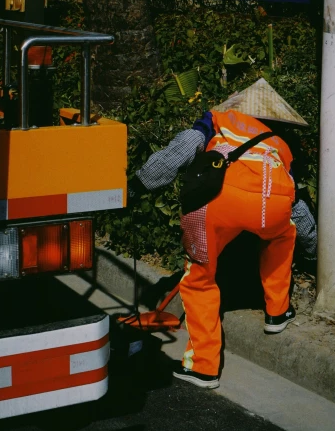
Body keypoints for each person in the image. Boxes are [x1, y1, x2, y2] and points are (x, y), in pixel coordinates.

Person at [128, 79, 317, 389]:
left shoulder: (218, 119)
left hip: (217, 202)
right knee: (281, 238)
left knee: (199, 278)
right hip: (272, 204)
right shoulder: (282, 143)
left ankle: (203, 367)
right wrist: (314, 250)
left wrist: (139, 184)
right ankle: (277, 312)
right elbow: (297, 205)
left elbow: (182, 149)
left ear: (238, 104)